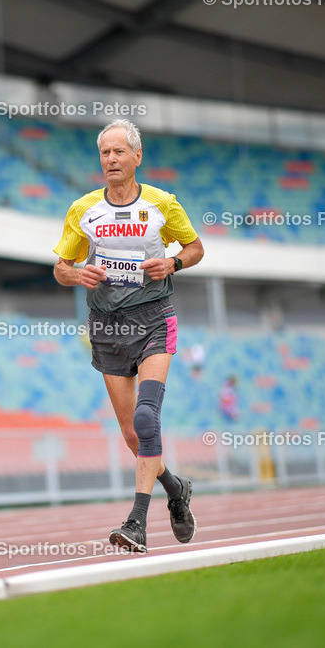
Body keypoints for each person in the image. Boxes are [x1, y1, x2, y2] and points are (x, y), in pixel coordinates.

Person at [53, 118, 204, 552]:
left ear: (138, 157)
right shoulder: (84, 210)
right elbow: (61, 268)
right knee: (132, 435)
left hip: (155, 317)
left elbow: (195, 248)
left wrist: (173, 263)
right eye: (105, 153)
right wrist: (78, 273)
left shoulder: (162, 204)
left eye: (120, 152)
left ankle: (137, 522)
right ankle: (176, 490)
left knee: (146, 416)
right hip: (106, 327)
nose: (111, 160)